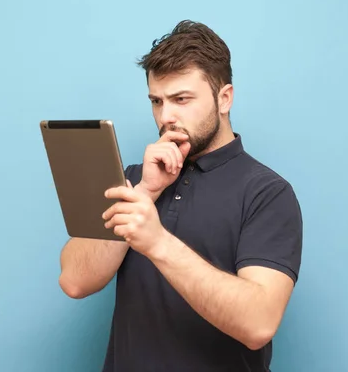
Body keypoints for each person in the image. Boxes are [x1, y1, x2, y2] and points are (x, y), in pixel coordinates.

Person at [58, 20, 303, 372]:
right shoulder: (134, 180)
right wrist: (146, 190)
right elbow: (74, 280)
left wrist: (156, 241)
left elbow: (258, 324)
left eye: (181, 99)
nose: (166, 116)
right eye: (156, 101)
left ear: (225, 98)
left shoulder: (267, 193)